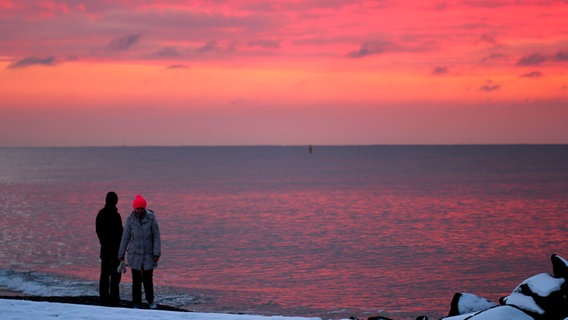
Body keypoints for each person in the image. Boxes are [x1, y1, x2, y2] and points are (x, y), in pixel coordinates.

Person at [118, 194, 161, 309]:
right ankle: (136, 302)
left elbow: (156, 236)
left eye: (142, 208)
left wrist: (157, 253)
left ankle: (150, 301)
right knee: (136, 281)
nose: (140, 210)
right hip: (135, 255)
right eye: (138, 208)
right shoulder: (130, 220)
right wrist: (121, 254)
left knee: (148, 280)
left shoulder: (151, 218)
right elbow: (125, 237)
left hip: (148, 255)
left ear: (144, 208)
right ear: (134, 208)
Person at [95, 191, 124, 306]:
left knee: (105, 275)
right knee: (113, 277)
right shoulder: (115, 215)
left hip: (106, 249)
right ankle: (114, 299)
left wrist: (103, 242)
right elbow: (120, 233)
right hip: (113, 250)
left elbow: (98, 231)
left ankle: (105, 298)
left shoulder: (101, 214)